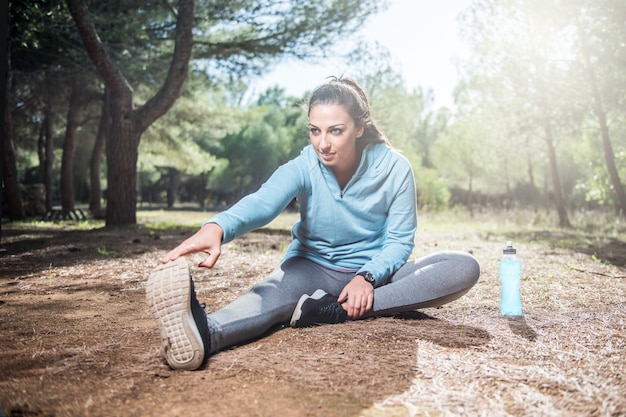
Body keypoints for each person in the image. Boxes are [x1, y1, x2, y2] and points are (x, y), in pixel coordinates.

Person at [145, 76, 481, 371]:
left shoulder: (395, 168)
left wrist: (367, 276)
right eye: (314, 130)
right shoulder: (305, 165)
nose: (323, 143)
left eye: (336, 130)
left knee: (463, 266)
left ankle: (333, 312)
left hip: (377, 275)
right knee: (269, 296)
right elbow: (264, 202)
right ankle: (205, 332)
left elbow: (399, 241)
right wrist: (218, 227)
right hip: (311, 269)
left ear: (359, 128)